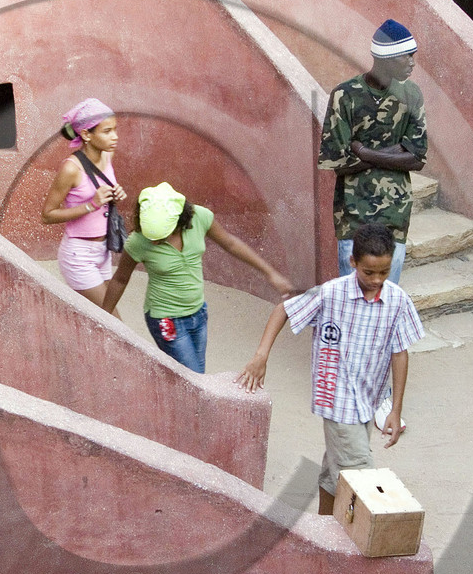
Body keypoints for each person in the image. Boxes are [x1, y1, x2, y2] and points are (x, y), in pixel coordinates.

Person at [237, 223, 424, 516]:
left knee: (336, 471)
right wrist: (262, 355)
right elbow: (284, 309)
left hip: (367, 399)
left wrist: (395, 408)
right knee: (362, 477)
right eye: (369, 272)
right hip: (337, 401)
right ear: (353, 263)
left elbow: (400, 353)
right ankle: (353, 546)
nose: (376, 280)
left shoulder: (397, 300)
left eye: (384, 272)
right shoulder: (331, 293)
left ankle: (323, 530)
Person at [102, 183, 295, 373]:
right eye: (151, 236)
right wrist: (103, 316)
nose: (154, 241)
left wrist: (270, 273)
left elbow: (231, 244)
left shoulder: (200, 218)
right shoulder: (138, 241)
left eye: (161, 236)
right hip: (165, 319)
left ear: (179, 221)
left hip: (198, 313)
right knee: (195, 380)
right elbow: (120, 279)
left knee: (194, 379)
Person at [319, 19, 428, 282]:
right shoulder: (345, 95)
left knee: (387, 299)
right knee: (353, 298)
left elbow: (417, 158)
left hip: (395, 215)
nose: (413, 63)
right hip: (353, 218)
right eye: (407, 57)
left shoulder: (411, 94)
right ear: (387, 58)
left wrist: (365, 152)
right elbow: (337, 161)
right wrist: (396, 151)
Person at [41, 98, 124, 306]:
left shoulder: (108, 154)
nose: (115, 137)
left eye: (115, 129)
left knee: (101, 321)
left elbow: (105, 190)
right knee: (113, 322)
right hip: (79, 254)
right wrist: (91, 205)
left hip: (104, 250)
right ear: (86, 134)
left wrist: (116, 194)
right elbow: (47, 215)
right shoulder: (71, 168)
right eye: (107, 131)